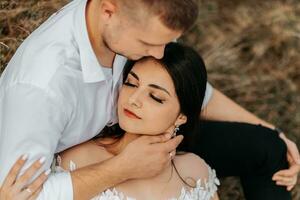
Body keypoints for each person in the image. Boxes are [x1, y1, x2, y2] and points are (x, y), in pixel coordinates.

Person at [0, 0, 298, 199]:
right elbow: (21, 193)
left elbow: (187, 88)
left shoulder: (141, 22)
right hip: (97, 159)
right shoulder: (41, 86)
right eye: (147, 44)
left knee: (267, 146)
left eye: (164, 43)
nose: (157, 54)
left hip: (157, 129)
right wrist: (122, 168)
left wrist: (273, 131)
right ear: (108, 11)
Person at [57, 42, 218, 199]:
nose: (133, 99)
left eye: (155, 97)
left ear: (181, 117)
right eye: (131, 84)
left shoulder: (195, 171)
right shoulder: (78, 159)